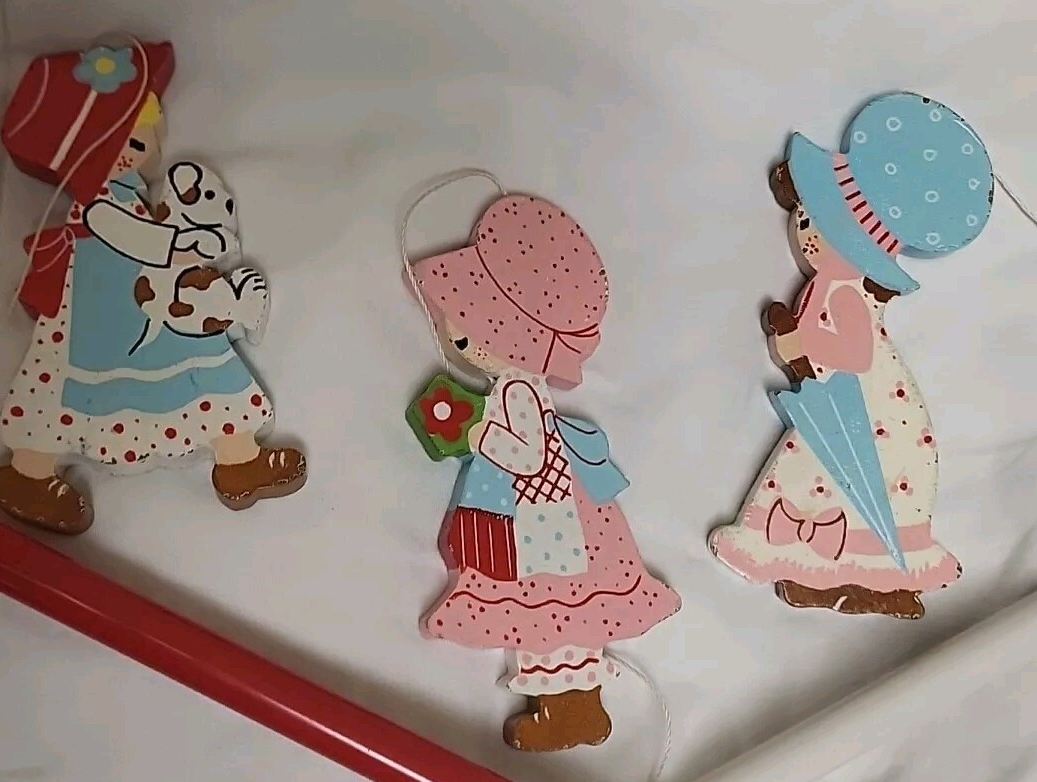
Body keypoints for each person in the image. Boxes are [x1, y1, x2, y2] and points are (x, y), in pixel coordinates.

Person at [0, 42, 305, 535]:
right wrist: (186, 243)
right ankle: (28, 475)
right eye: (126, 142)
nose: (139, 152)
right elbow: (137, 240)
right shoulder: (96, 204)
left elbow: (149, 235)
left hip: (145, 305)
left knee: (204, 363)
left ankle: (239, 459)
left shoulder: (131, 195)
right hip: (106, 314)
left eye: (142, 140)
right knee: (77, 388)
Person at [411, 194, 681, 751]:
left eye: (467, 330)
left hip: (542, 523)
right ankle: (576, 709)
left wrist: (476, 436)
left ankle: (567, 713)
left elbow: (527, 455)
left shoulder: (517, 391)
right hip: (550, 515)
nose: (458, 338)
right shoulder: (516, 390)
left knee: (545, 617)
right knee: (556, 621)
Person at [710, 93, 994, 619]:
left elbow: (856, 355)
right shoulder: (830, 287)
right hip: (848, 405)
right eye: (805, 221)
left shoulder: (845, 295)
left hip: (863, 415)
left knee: (839, 482)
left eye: (817, 227)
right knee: (829, 482)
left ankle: (848, 575)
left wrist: (800, 346)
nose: (805, 236)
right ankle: (842, 576)